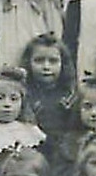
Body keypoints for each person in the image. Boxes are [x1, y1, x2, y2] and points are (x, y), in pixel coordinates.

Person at [21, 33, 76, 167]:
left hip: (62, 156)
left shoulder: (70, 94)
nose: (46, 67)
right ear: (29, 62)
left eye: (53, 61)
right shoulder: (23, 92)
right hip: (31, 154)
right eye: (39, 61)